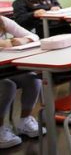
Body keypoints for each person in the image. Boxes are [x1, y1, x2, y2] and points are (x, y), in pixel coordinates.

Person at [0, 16, 44, 149]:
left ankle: (24, 121)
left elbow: (33, 36)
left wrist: (23, 40)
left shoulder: (3, 20)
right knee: (7, 85)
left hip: (3, 68)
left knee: (32, 79)